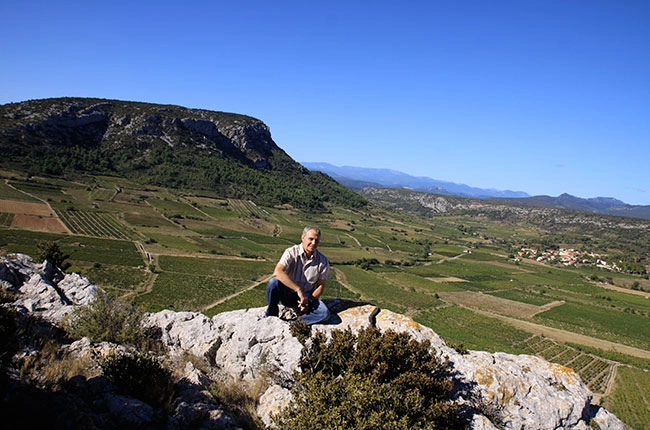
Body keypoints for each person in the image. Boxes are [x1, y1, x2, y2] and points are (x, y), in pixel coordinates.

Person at [265, 225, 330, 324]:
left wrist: (308, 300)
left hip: (308, 298)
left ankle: (295, 323)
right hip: (289, 295)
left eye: (316, 240)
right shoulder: (291, 252)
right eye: (310, 239)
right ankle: (271, 315)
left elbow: (320, 285)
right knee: (273, 282)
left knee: (324, 314)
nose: (313, 243)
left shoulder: (323, 260)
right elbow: (278, 272)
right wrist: (298, 290)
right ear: (302, 238)